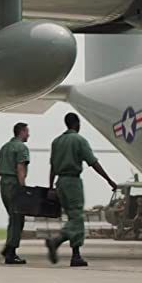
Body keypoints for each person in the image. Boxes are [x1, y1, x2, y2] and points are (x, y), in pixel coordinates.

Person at [46, 113, 118, 267]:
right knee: (77, 218)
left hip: (60, 183)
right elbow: (93, 162)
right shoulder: (79, 140)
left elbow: (52, 166)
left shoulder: (56, 142)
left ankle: (76, 255)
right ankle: (56, 241)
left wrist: (51, 186)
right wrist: (109, 180)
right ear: (77, 124)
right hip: (72, 182)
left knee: (72, 218)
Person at [0, 122, 30, 265]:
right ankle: (11, 253)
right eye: (27, 132)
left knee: (13, 217)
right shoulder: (21, 148)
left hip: (3, 185)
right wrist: (23, 189)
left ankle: (8, 248)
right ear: (22, 132)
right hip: (14, 184)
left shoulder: (5, 147)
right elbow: (20, 169)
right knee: (17, 218)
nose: (29, 135)